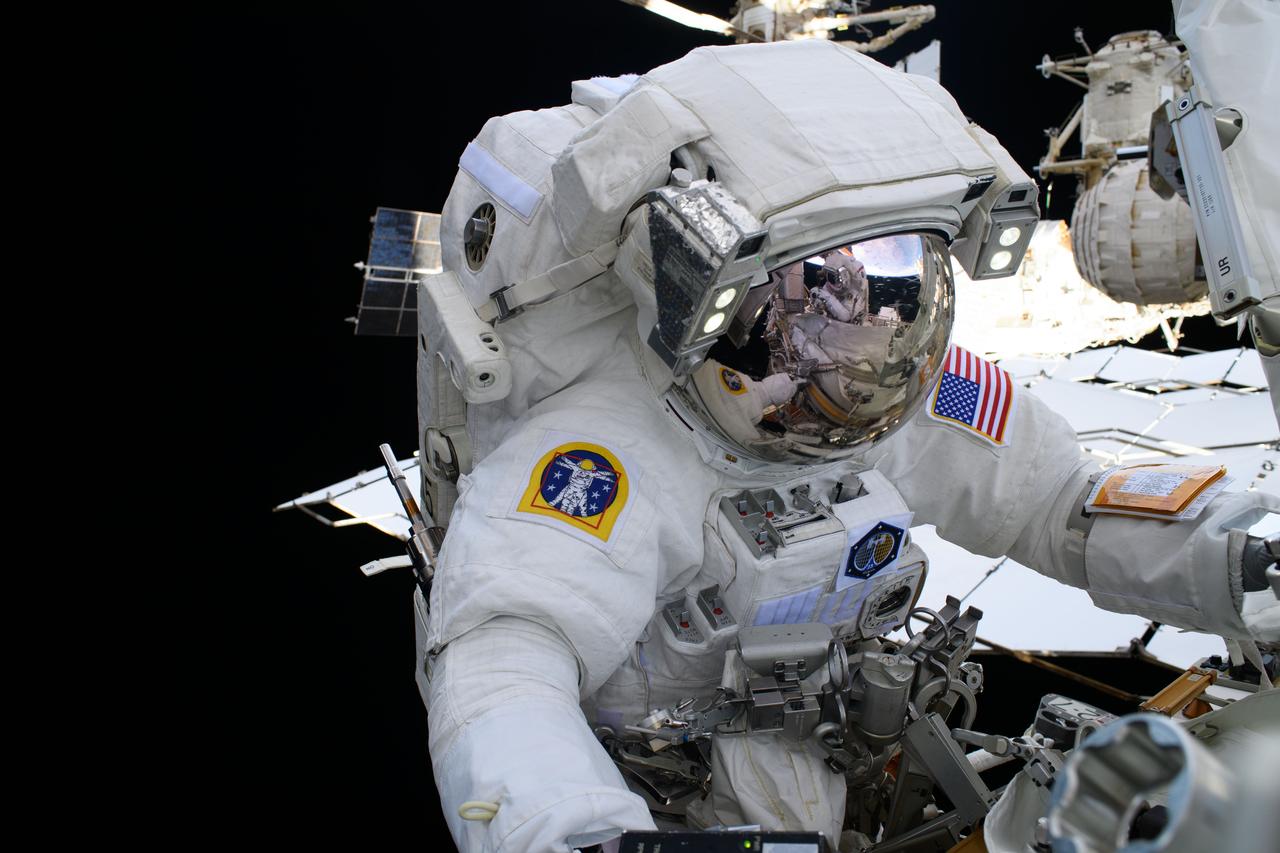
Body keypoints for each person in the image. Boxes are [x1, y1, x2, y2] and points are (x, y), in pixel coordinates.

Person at [417, 40, 1277, 853]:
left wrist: (1243, 563)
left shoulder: (896, 389)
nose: (855, 354)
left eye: (894, 299)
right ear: (702, 309)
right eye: (809, 315)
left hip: (838, 756)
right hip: (659, 792)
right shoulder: (603, 455)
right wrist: (571, 827)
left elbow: (1058, 503)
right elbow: (504, 660)